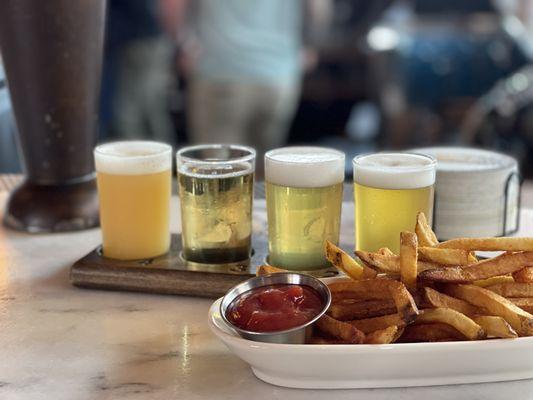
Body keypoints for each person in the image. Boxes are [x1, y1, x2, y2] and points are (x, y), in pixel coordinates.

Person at [178, 0, 331, 173]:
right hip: (277, 73)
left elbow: (173, 5)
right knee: (263, 172)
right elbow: (317, 7)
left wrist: (183, 44)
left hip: (219, 71)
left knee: (219, 174)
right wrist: (310, 45)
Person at [101, 0, 183, 144]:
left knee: (132, 112)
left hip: (137, 39)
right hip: (146, 37)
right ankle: (159, 155)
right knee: (150, 107)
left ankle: (143, 158)